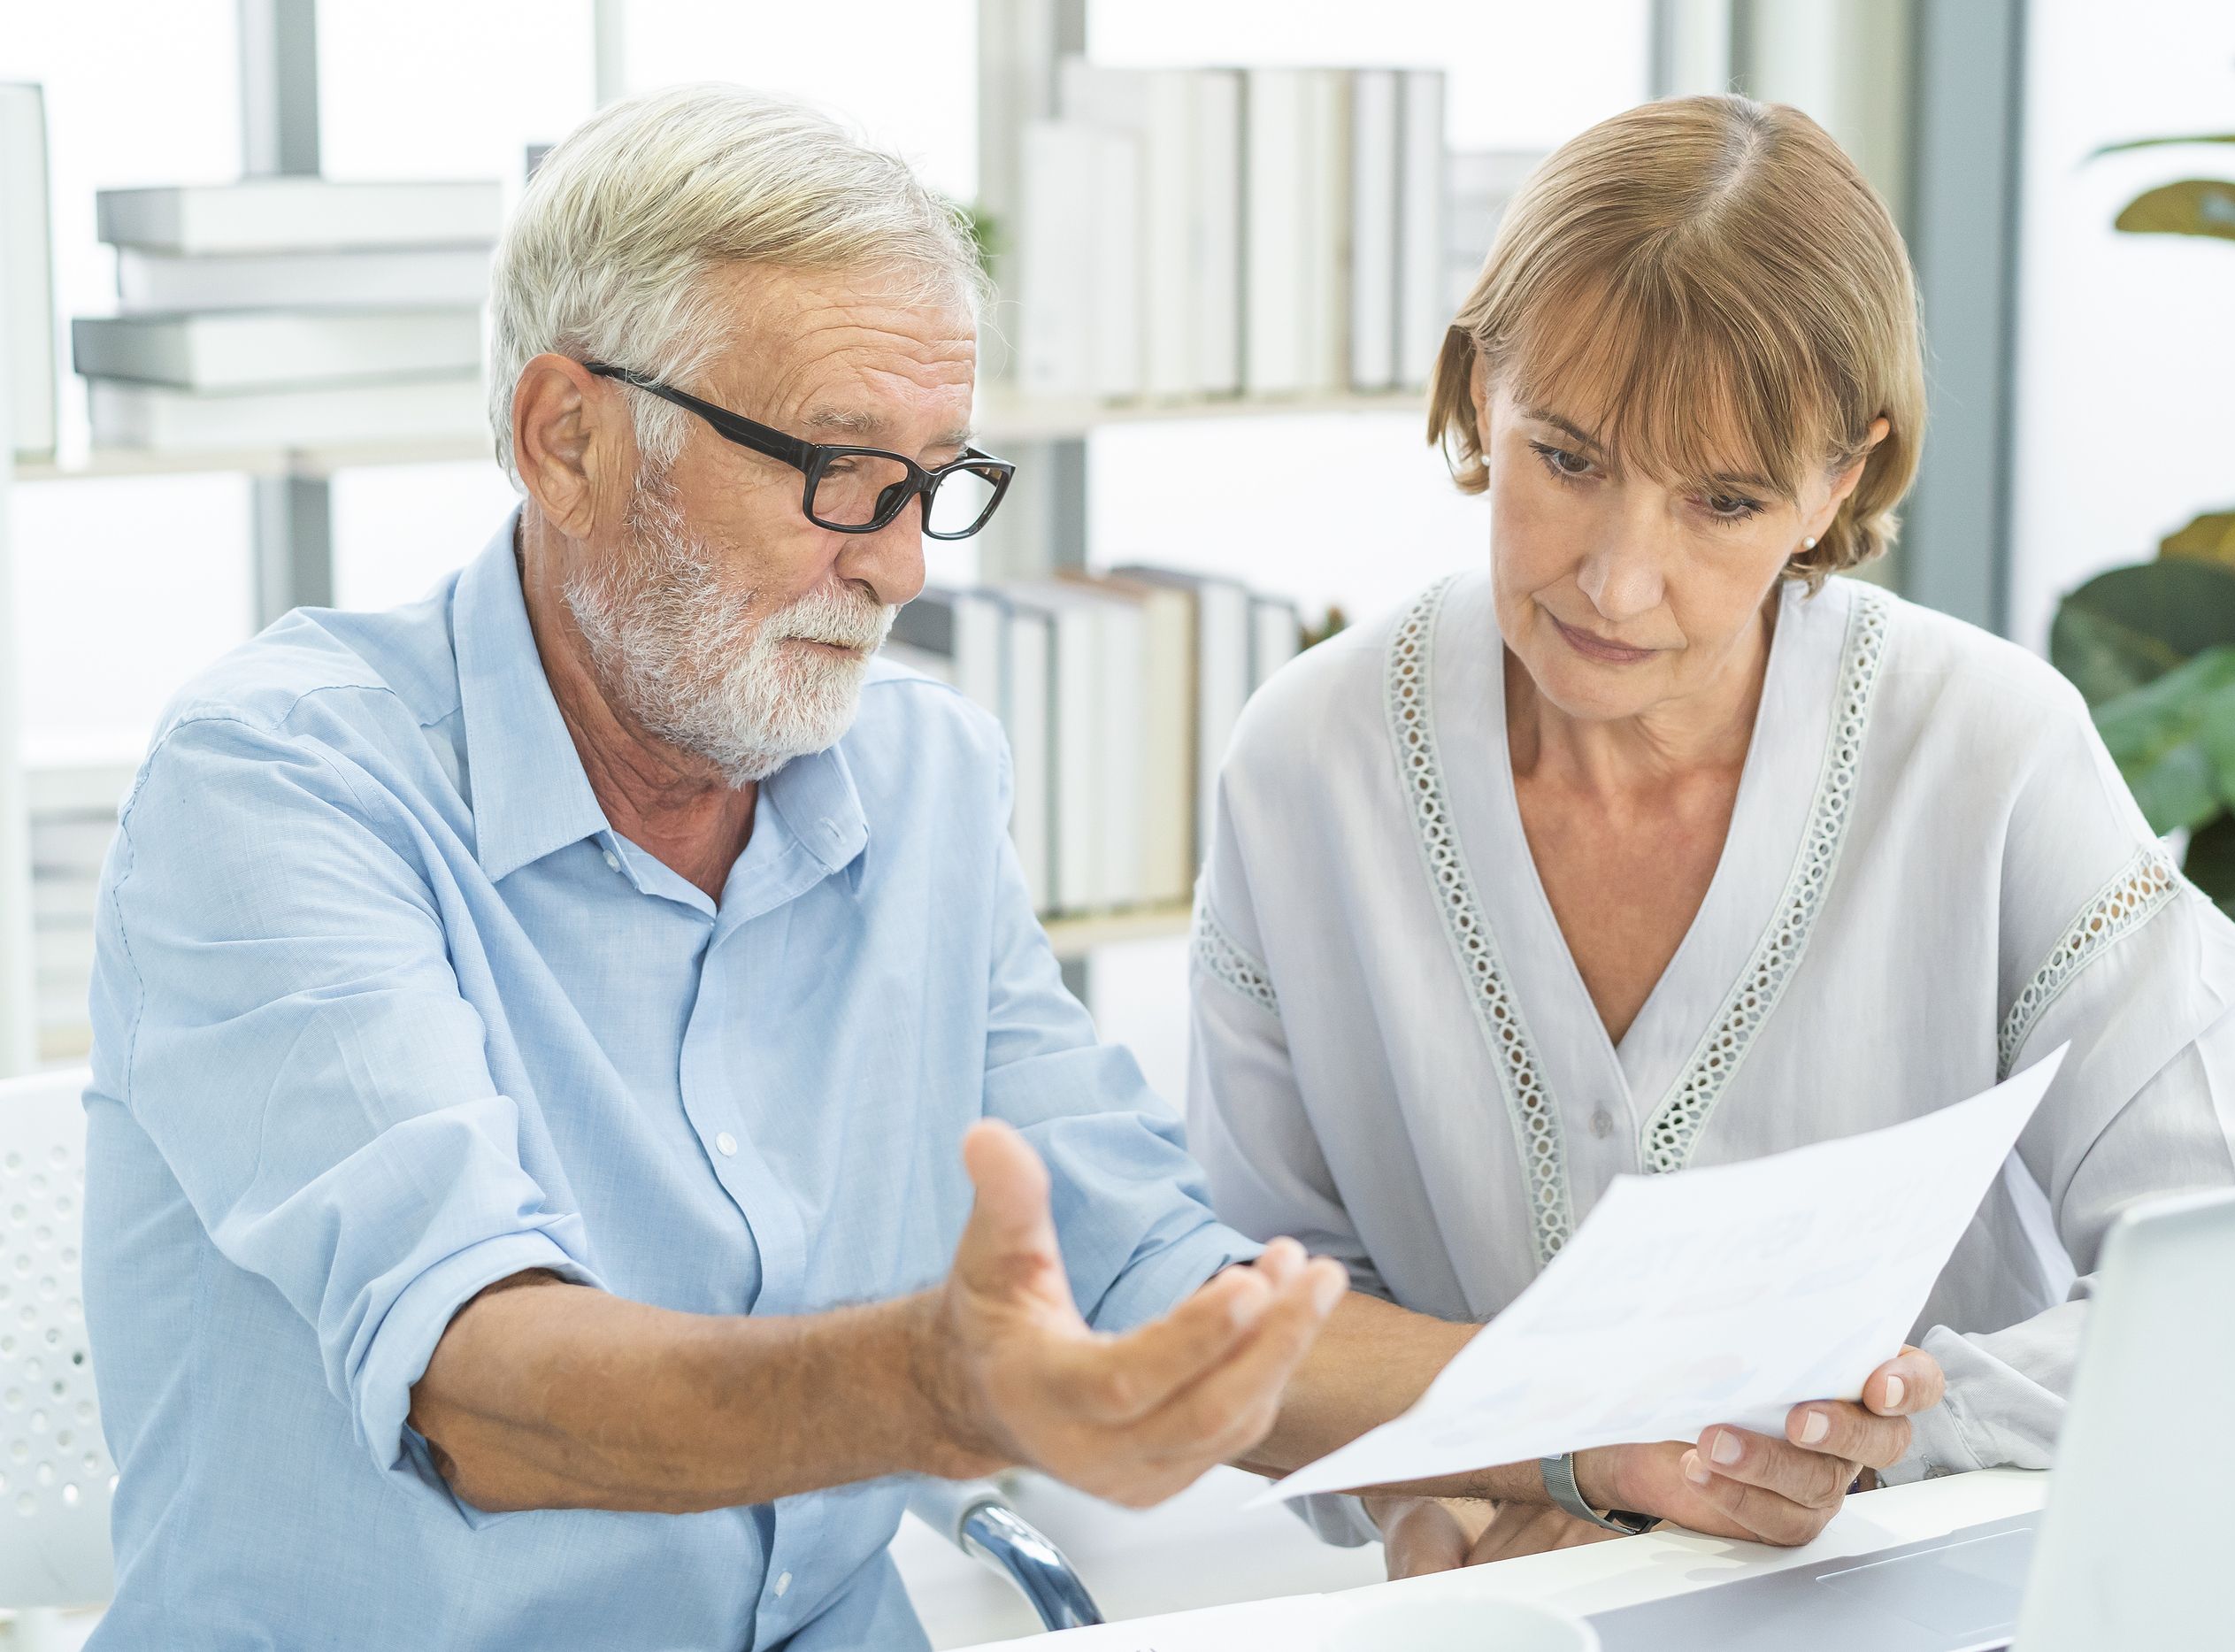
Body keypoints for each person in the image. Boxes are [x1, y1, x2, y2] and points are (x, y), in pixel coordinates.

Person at [78, 86, 1937, 1652]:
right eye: (832, 473)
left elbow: (1140, 1269)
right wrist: (932, 1387)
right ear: (567, 434)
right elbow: (476, 1382)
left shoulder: (918, 775)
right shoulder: (284, 784)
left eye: (933, 481)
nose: (896, 567)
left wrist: (1607, 1430)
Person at [1187, 93, 2235, 1578]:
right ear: (1479, 392)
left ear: (1840, 480)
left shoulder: (1989, 751)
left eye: (1722, 501)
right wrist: (1456, 1487)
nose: (1618, 582)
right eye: (1569, 459)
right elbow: (1254, 1300)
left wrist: (1882, 1436)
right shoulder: (1306, 766)